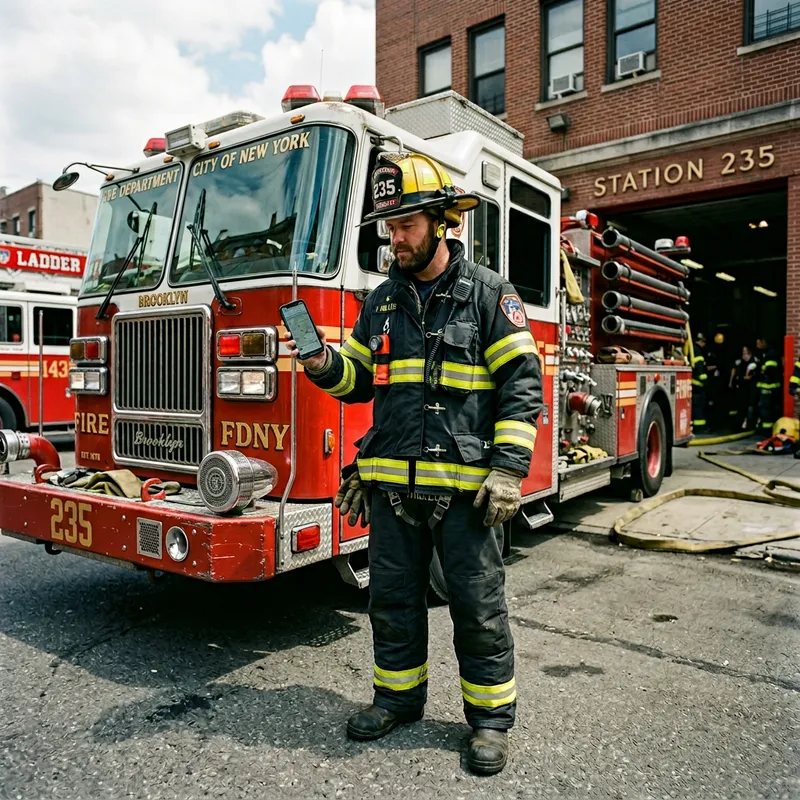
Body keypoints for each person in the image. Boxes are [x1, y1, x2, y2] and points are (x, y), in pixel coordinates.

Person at [288, 152, 543, 775]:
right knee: (393, 601)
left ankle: (488, 722)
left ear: (439, 223)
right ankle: (398, 699)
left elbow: (522, 383)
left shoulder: (488, 294)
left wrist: (509, 470)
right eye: (387, 226)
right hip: (392, 488)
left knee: (477, 606)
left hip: (464, 491)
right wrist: (323, 365)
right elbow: (358, 382)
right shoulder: (379, 303)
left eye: (405, 225)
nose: (393, 237)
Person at [754, 336, 781, 434]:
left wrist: (760, 370)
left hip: (769, 387)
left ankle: (767, 430)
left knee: (766, 408)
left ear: (764, 342)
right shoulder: (764, 353)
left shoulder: (770, 354)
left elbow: (770, 370)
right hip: (766, 387)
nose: (757, 346)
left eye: (758, 343)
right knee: (765, 408)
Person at [729, 345, 757, 431]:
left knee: (750, 405)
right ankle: (740, 425)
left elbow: (757, 373)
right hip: (741, 387)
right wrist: (731, 381)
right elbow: (734, 371)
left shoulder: (754, 361)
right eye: (743, 353)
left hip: (751, 387)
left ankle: (750, 425)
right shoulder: (739, 362)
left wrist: (751, 377)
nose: (744, 355)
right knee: (740, 406)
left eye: (746, 353)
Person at [691, 333, 709, 434]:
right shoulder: (698, 351)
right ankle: (700, 429)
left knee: (697, 407)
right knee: (699, 407)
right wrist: (706, 379)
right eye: (703, 342)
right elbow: (699, 370)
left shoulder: (693, 349)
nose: (704, 344)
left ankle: (698, 427)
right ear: (700, 341)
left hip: (695, 385)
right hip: (698, 386)